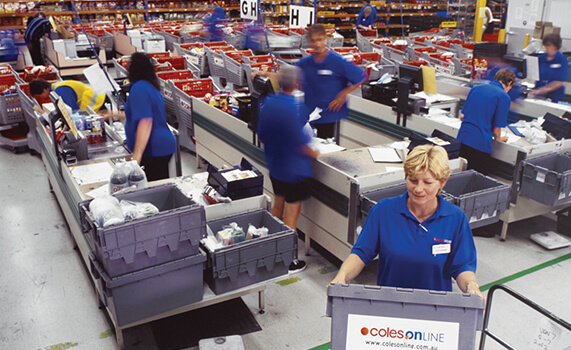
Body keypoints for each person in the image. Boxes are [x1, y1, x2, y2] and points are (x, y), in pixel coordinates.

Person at [329, 145, 484, 299]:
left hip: (435, 308)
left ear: (442, 183)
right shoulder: (383, 211)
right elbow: (361, 254)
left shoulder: (455, 218)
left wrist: (472, 286)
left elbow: (463, 266)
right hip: (389, 305)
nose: (418, 189)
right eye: (413, 180)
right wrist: (341, 277)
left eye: (427, 182)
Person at [257, 66, 320, 273]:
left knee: (278, 207)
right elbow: (300, 143)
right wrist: (315, 153)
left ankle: (269, 248)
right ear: (296, 85)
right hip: (294, 171)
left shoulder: (267, 103)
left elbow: (262, 136)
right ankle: (288, 261)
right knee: (291, 217)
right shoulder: (293, 107)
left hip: (275, 166)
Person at [102, 52, 176, 181]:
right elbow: (139, 112)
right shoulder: (149, 86)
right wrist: (113, 114)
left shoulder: (139, 89)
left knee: (155, 188)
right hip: (160, 146)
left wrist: (137, 154)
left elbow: (145, 121)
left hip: (154, 149)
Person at [297, 24, 368, 140]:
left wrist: (342, 95)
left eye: (320, 39)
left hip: (329, 116)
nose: (317, 44)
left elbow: (361, 76)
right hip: (309, 115)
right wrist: (264, 74)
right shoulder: (306, 63)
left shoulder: (338, 61)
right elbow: (289, 75)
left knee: (326, 150)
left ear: (326, 39)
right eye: (314, 41)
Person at [457, 69, 514, 175]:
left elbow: (462, 116)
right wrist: (499, 139)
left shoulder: (476, 88)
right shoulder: (503, 96)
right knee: (475, 182)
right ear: (509, 83)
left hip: (462, 139)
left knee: (459, 176)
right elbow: (497, 129)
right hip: (480, 145)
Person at [529, 33, 569, 103]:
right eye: (545, 45)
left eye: (549, 45)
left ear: (555, 46)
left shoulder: (562, 60)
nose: (546, 47)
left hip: (554, 97)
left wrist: (543, 90)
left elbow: (560, 82)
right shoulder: (541, 58)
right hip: (538, 95)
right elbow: (532, 72)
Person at [29, 79, 108, 112]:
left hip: (98, 103)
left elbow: (74, 111)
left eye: (40, 95)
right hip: (96, 100)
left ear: (44, 90)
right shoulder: (55, 87)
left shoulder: (60, 91)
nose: (43, 98)